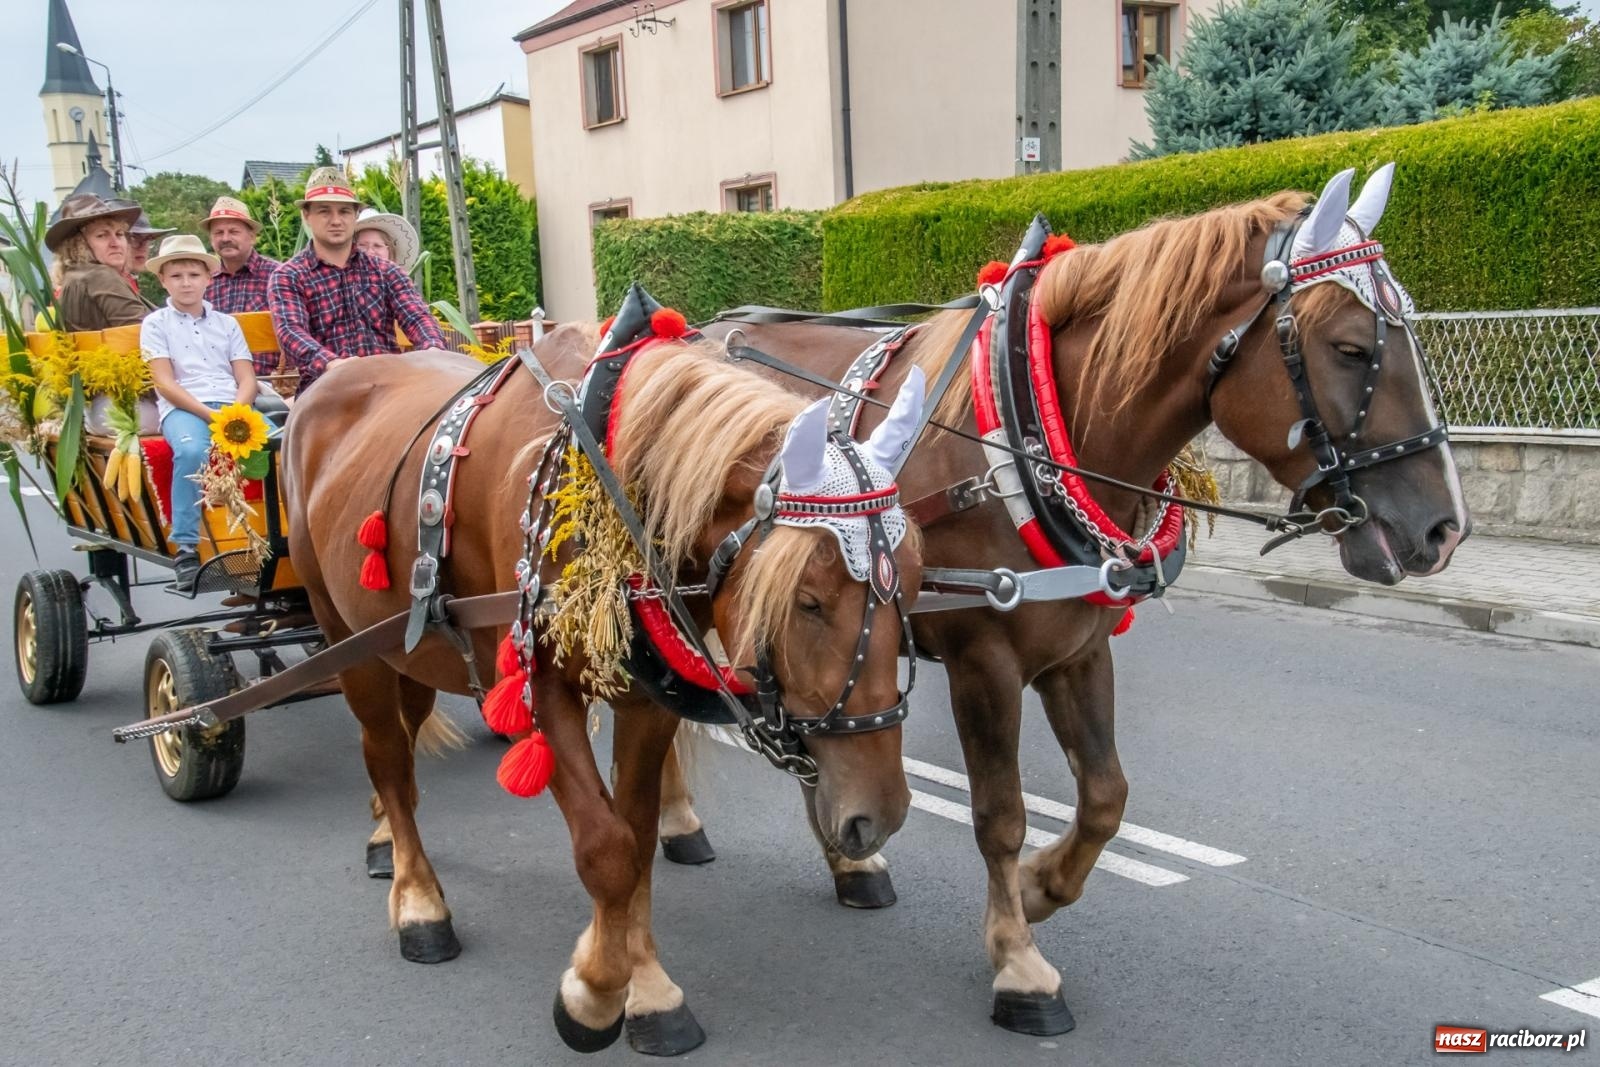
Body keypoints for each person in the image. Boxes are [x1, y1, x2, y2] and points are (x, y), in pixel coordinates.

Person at [140, 234, 258, 593]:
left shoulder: (226, 323)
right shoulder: (156, 323)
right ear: (163, 280)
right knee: (191, 452)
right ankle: (187, 547)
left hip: (233, 404)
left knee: (285, 443)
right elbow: (164, 383)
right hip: (185, 406)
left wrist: (238, 411)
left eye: (193, 274)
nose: (186, 282)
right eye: (176, 276)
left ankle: (287, 533)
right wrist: (211, 416)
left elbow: (246, 377)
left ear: (209, 277)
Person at [267, 167, 444, 393]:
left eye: (344, 212)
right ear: (306, 216)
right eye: (324, 211)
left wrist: (432, 349)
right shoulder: (289, 276)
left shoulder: (386, 271)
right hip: (325, 388)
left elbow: (417, 316)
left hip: (387, 384)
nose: (336, 220)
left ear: (355, 216)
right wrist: (333, 364)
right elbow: (291, 332)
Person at [202, 196, 282, 376]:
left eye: (233, 231)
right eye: (218, 233)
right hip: (217, 383)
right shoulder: (204, 283)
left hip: (270, 383)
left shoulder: (278, 276)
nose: (225, 238)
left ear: (252, 237)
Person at [46, 194, 148, 332]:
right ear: (78, 244)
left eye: (119, 234)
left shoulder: (73, 276)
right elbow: (144, 332)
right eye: (102, 235)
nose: (115, 243)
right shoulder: (100, 275)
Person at [352, 208, 421, 270]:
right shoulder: (344, 280)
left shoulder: (399, 282)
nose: (370, 252)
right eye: (362, 245)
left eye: (377, 245)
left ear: (389, 250)